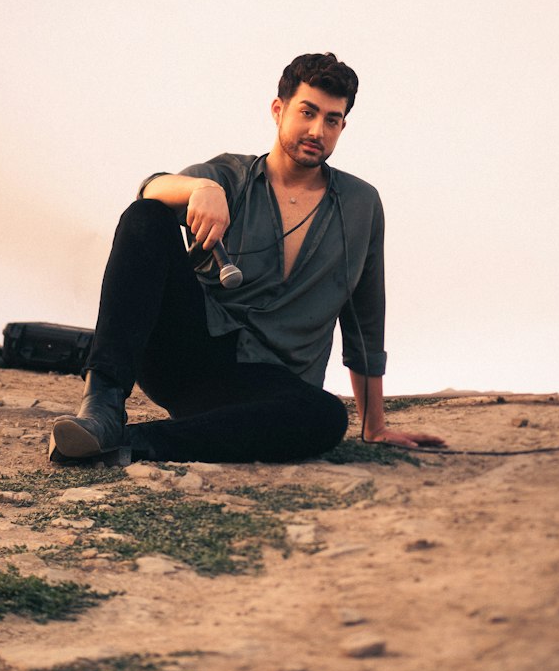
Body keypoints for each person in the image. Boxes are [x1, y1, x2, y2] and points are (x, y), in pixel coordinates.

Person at [48, 52, 446, 465]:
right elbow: (150, 192)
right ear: (279, 110)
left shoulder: (362, 204)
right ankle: (102, 407)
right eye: (307, 112)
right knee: (146, 216)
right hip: (186, 355)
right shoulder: (229, 175)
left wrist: (375, 425)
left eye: (332, 119)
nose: (317, 130)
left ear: (343, 126)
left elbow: (365, 318)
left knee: (325, 417)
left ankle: (130, 443)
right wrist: (198, 190)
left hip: (267, 385)